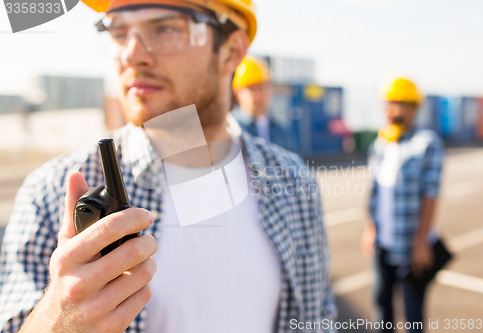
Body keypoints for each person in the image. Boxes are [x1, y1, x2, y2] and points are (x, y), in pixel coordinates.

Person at [0, 0, 337, 332]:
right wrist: (57, 323)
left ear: (232, 51)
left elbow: (318, 317)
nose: (131, 54)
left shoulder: (293, 182)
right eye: (118, 31)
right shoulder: (54, 193)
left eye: (164, 28)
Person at [361, 77, 444, 332]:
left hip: (410, 245)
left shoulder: (427, 143)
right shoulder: (381, 143)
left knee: (413, 314)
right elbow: (374, 192)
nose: (389, 110)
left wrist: (421, 242)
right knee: (382, 309)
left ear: (412, 108)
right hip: (383, 243)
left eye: (395, 104)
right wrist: (371, 228)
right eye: (387, 104)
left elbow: (430, 194)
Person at [232, 55, 291, 148]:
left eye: (263, 88)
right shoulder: (232, 129)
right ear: (238, 94)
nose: (259, 96)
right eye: (252, 89)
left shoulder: (281, 131)